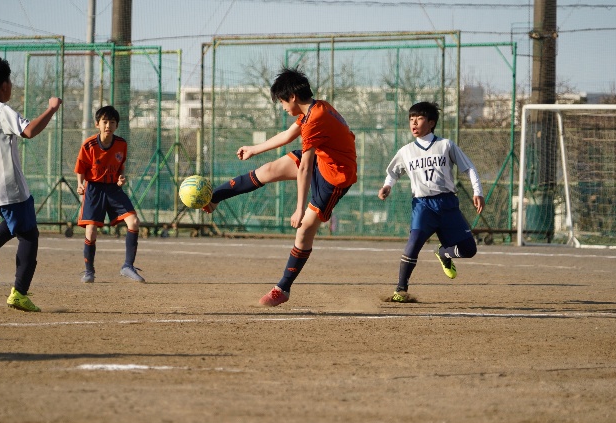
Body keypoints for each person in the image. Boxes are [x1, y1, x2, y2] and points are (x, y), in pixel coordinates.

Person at [203, 67, 357, 306]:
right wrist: (254, 149)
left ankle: (283, 288)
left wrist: (299, 209)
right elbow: (287, 135)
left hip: (335, 177)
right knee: (268, 170)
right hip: (323, 160)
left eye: (282, 101)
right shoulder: (314, 109)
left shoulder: (316, 118)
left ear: (292, 97)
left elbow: (304, 168)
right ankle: (215, 197)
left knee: (304, 230)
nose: (282, 106)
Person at [0, 55, 62, 312]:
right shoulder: (1, 110)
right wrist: (52, 109)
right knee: (29, 235)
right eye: (10, 81)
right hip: (8, 187)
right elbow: (29, 131)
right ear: (3, 85)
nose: (11, 86)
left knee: (18, 222)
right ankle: (19, 293)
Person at [378, 101, 485, 303]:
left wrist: (477, 192)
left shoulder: (445, 145)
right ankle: (401, 290)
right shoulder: (406, 151)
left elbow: (469, 167)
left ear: (431, 122)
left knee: (469, 250)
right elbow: (393, 172)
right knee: (413, 245)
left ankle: (443, 253)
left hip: (447, 204)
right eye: (411, 119)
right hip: (423, 206)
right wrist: (387, 185)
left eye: (419, 118)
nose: (414, 123)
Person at [75, 105, 145, 284]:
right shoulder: (89, 144)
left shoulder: (121, 144)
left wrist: (121, 177)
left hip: (113, 189)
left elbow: (121, 166)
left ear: (116, 125)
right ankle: (89, 271)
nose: (108, 125)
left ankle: (128, 266)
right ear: (97, 124)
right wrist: (80, 184)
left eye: (112, 122)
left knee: (134, 222)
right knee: (91, 231)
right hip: (94, 189)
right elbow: (81, 168)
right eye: (105, 122)